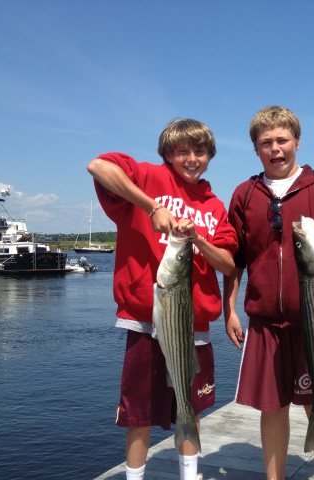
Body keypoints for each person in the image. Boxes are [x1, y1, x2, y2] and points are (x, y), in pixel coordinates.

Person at [87, 118, 238, 480]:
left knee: (191, 410)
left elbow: (229, 264)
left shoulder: (215, 206)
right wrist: (152, 207)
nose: (191, 158)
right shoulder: (147, 178)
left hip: (195, 328)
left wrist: (199, 239)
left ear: (210, 156)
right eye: (181, 151)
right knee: (137, 413)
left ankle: (190, 475)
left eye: (199, 151)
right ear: (167, 154)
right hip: (143, 321)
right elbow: (98, 166)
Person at [223, 106, 314, 480]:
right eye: (266, 142)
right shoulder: (244, 193)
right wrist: (230, 310)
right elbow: (235, 258)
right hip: (265, 321)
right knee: (271, 408)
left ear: (297, 142)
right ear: (255, 149)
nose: (275, 149)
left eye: (282, 140)